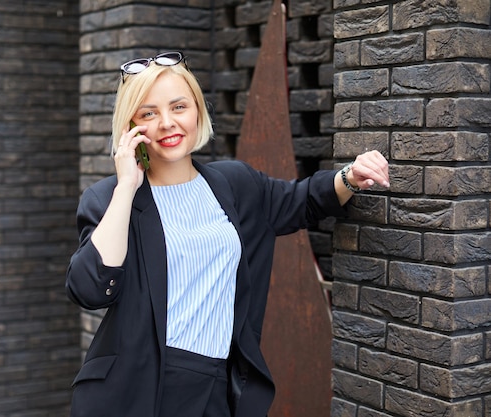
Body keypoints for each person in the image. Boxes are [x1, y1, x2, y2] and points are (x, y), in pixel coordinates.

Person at [65, 51, 390, 417]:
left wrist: (351, 176)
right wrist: (127, 185)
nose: (167, 123)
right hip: (135, 389)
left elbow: (303, 201)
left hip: (217, 383)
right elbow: (90, 290)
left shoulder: (235, 184)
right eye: (148, 113)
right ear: (131, 126)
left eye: (178, 107)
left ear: (198, 111)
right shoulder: (110, 199)